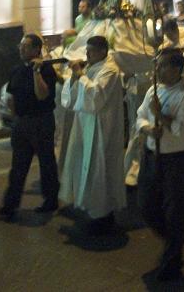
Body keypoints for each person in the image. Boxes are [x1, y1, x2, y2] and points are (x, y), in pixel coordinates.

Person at [136, 48, 184, 281]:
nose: (157, 70)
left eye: (162, 66)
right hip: (152, 155)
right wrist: (148, 128)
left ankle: (172, 261)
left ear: (176, 69)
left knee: (174, 211)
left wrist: (160, 115)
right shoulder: (154, 89)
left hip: (176, 159)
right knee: (146, 205)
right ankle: (174, 241)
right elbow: (140, 116)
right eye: (157, 65)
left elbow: (182, 129)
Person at [59, 36, 126, 235]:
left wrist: (80, 76)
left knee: (100, 170)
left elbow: (96, 97)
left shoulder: (110, 70)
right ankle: (91, 210)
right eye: (86, 51)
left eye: (90, 51)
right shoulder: (91, 67)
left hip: (102, 130)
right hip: (85, 125)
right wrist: (74, 77)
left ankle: (103, 216)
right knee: (85, 168)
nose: (86, 54)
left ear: (102, 51)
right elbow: (72, 98)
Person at [0, 34, 59, 220]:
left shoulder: (46, 70)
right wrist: (16, 119)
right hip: (22, 123)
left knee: (46, 163)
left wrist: (36, 71)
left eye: (25, 47)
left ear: (37, 49)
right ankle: (9, 205)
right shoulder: (17, 70)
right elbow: (11, 97)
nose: (21, 49)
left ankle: (50, 200)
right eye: (20, 46)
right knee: (18, 166)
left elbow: (42, 95)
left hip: (41, 121)